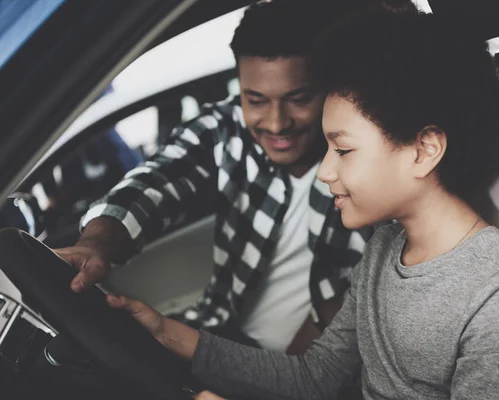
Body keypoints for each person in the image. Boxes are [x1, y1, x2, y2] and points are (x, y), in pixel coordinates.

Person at [108, 9, 499, 400]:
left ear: (423, 150)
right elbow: (315, 379)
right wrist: (162, 329)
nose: (323, 172)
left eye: (342, 150)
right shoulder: (385, 247)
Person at [55, 0, 385, 355]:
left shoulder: (369, 168)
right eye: (255, 100)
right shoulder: (227, 127)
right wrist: (95, 245)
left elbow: (334, 339)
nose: (276, 123)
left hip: (286, 370)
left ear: (329, 88)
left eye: (298, 98)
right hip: (211, 331)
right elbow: (152, 183)